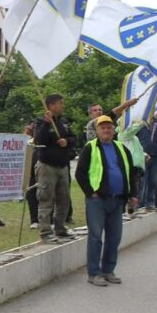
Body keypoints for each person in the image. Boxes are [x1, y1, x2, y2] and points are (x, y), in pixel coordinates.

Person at [75, 115, 137, 287]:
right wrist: (90, 193)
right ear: (97, 131)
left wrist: (132, 194)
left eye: (109, 127)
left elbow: (130, 172)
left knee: (114, 237)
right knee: (95, 237)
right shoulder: (90, 148)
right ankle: (94, 273)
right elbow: (80, 173)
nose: (106, 130)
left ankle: (108, 270)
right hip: (97, 200)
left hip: (117, 199)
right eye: (103, 127)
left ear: (113, 130)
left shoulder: (121, 148)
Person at [33, 94, 77, 243]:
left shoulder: (64, 122)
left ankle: (60, 228)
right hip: (47, 166)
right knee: (45, 199)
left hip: (62, 166)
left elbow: (74, 138)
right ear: (51, 105)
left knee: (64, 199)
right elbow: (38, 140)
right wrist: (46, 124)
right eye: (60, 103)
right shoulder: (41, 121)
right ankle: (45, 232)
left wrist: (67, 141)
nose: (63, 106)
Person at [137, 111, 157, 212]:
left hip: (156, 157)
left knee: (153, 181)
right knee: (143, 182)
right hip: (143, 157)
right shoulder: (140, 125)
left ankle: (150, 203)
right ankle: (140, 204)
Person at [118, 120, 148, 218]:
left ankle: (131, 211)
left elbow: (136, 149)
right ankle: (123, 212)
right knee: (129, 189)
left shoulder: (134, 137)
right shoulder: (123, 134)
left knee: (136, 189)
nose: (132, 126)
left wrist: (144, 155)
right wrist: (142, 122)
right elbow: (132, 131)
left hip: (138, 165)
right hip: (131, 165)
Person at [23, 122, 40, 229]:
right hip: (30, 174)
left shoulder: (38, 142)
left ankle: (48, 219)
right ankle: (34, 220)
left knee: (44, 197)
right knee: (31, 197)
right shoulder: (27, 142)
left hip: (40, 172)